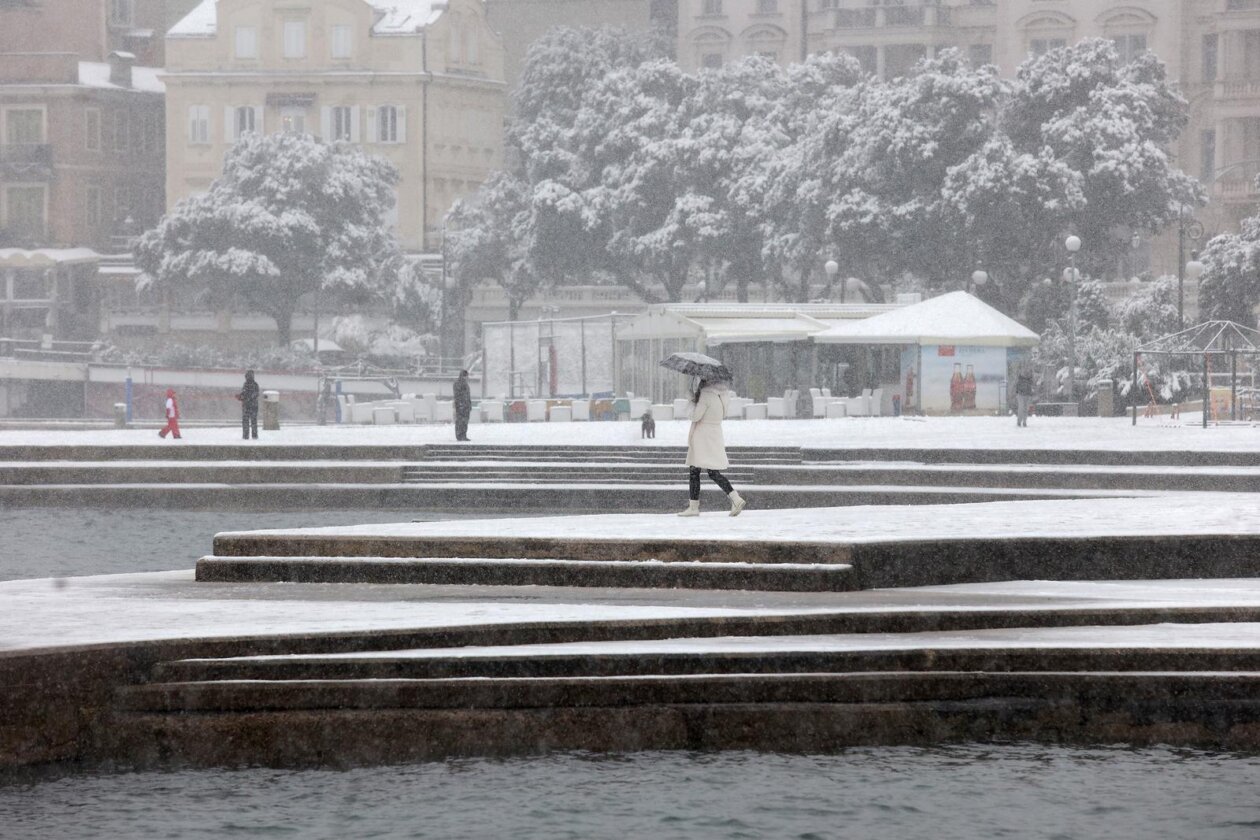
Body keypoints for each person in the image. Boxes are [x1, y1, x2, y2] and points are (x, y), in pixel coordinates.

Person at [679, 378, 745, 517]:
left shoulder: (705, 395)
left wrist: (692, 401)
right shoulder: (721, 396)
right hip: (714, 435)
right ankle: (735, 497)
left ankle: (694, 507)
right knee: (713, 472)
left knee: (694, 470)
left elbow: (695, 416)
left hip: (702, 436)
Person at [236, 370, 260, 440]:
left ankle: (247, 436)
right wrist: (240, 396)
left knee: (248, 421)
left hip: (248, 406)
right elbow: (246, 394)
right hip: (252, 406)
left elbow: (252, 394)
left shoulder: (252, 385)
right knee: (252, 421)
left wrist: (244, 398)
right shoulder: (252, 384)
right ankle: (252, 435)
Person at [453, 369, 472, 442]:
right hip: (461, 406)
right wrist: (460, 404)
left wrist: (469, 405)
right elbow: (458, 395)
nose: (467, 377)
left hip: (465, 405)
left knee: (464, 421)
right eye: (466, 376)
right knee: (461, 421)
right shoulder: (459, 383)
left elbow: (467, 395)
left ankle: (463, 435)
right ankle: (460, 435)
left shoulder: (464, 383)